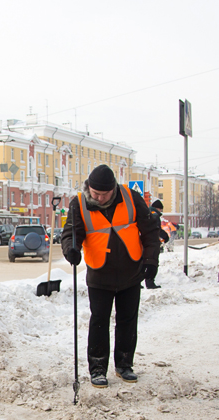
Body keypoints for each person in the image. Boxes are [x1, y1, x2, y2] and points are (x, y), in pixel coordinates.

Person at [60, 164, 162, 387]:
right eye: (95, 193)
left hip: (131, 271)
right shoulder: (79, 203)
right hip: (99, 274)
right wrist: (71, 250)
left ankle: (124, 365)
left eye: (104, 194)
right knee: (99, 322)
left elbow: (150, 230)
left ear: (113, 189)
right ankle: (97, 368)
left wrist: (151, 260)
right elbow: (70, 234)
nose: (99, 198)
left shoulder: (130, 197)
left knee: (127, 320)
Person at [145, 199, 167, 289]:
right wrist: (165, 237)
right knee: (152, 262)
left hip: (144, 242)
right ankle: (150, 282)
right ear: (159, 208)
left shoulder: (146, 212)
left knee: (142, 263)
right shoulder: (155, 214)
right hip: (152, 243)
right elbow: (156, 228)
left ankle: (137, 283)